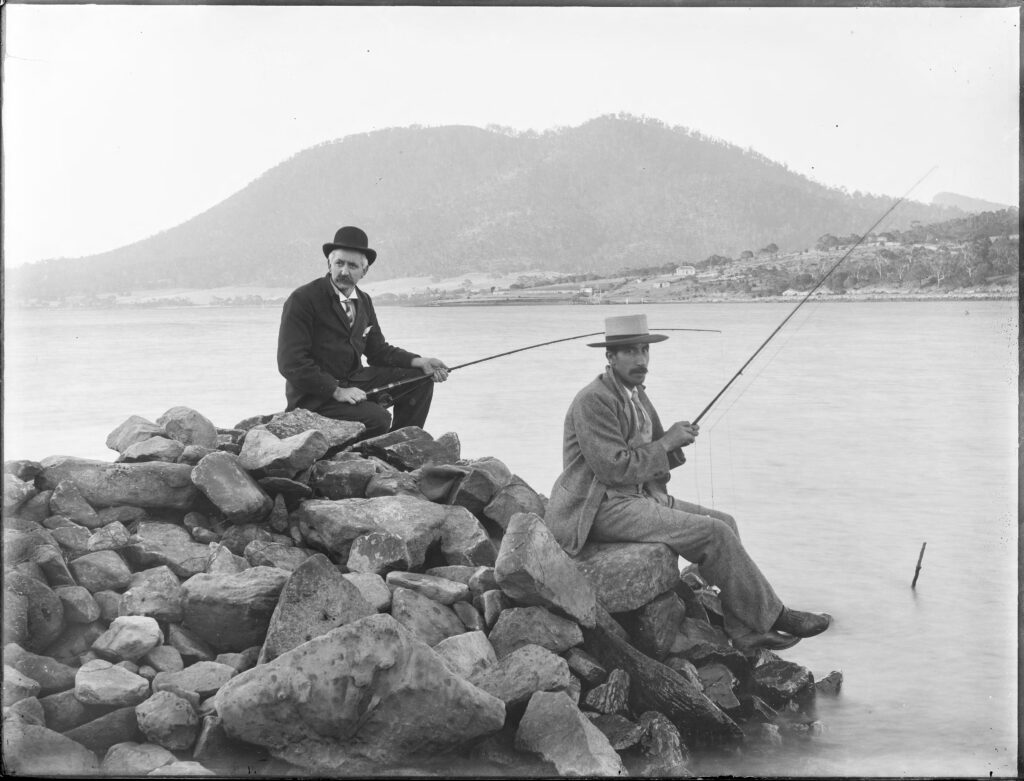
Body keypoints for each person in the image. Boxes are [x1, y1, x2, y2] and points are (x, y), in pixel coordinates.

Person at [545, 313, 831, 652]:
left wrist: (674, 441)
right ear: (610, 357)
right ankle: (776, 615)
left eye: (644, 351)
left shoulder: (635, 394)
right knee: (714, 534)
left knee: (725, 522)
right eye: (630, 352)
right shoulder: (593, 400)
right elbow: (614, 469)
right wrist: (666, 444)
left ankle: (745, 631)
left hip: (637, 496)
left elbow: (651, 459)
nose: (641, 360)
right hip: (598, 507)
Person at [277, 226, 449, 437]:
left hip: (355, 382)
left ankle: (402, 445)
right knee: (379, 419)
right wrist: (336, 391)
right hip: (314, 397)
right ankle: (374, 451)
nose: (344, 271)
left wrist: (420, 361)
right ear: (329, 263)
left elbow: (378, 351)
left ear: (364, 271)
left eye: (352, 266)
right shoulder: (303, 299)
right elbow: (291, 362)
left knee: (420, 379)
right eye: (339, 263)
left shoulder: (364, 301)